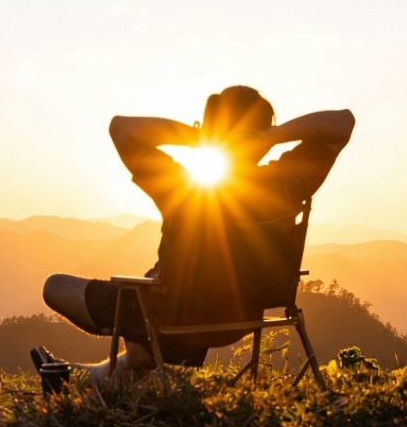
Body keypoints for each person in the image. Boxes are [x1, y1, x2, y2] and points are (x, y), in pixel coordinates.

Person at [33, 85, 355, 388]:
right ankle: (71, 376)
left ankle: (78, 375)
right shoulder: (287, 183)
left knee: (55, 286)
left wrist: (199, 136)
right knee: (139, 356)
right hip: (240, 319)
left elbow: (121, 129)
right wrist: (273, 135)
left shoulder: (185, 189)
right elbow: (343, 123)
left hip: (169, 316)